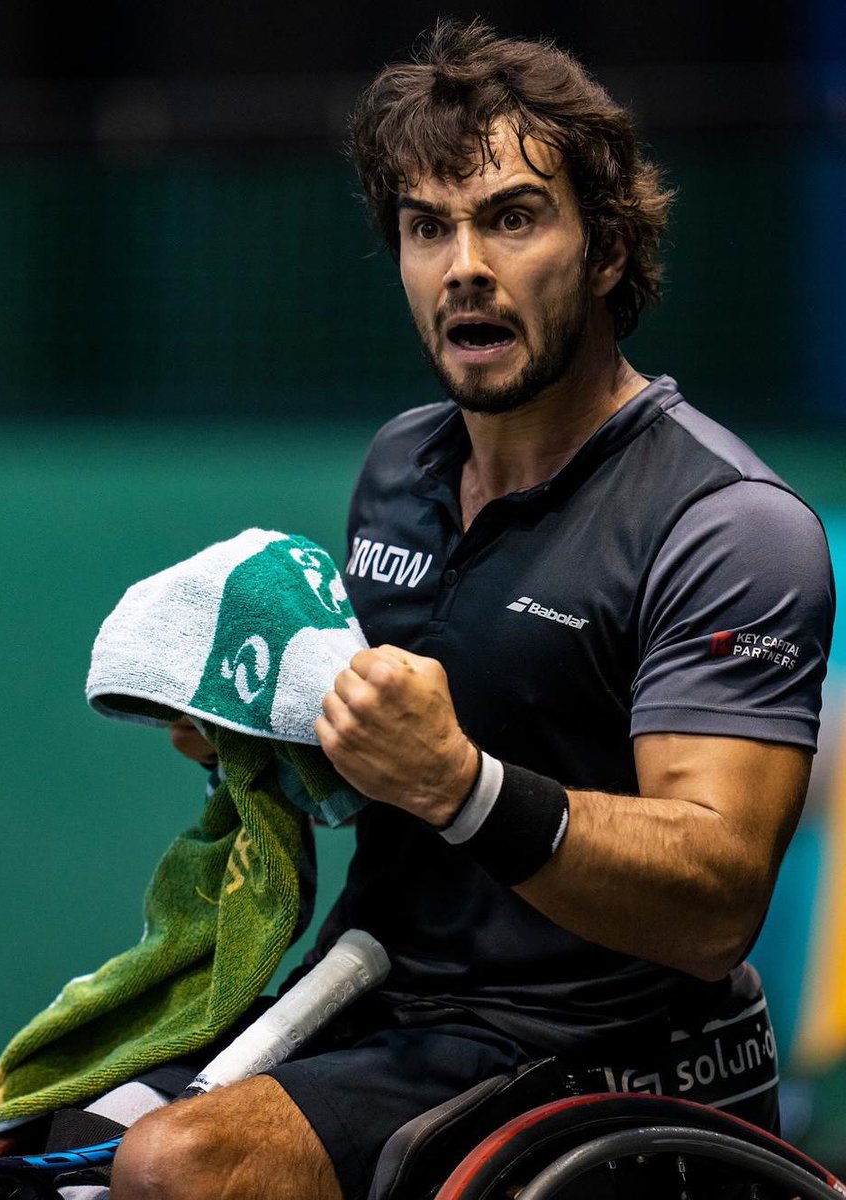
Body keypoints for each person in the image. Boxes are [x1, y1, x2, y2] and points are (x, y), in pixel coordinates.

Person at [109, 20, 834, 1200]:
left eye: (510, 217)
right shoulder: (399, 465)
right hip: (381, 988)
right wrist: (283, 745)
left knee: (178, 1169)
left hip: (592, 1045)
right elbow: (391, 785)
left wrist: (464, 785)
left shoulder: (730, 525)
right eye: (425, 227)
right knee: (32, 1143)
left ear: (603, 249)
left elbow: (714, 901)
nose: (463, 267)